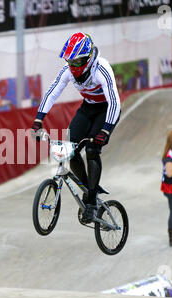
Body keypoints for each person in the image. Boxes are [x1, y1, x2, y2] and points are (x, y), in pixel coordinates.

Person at [31, 32, 121, 224]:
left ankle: (91, 203)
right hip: (87, 109)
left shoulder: (101, 69)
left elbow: (114, 102)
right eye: (70, 62)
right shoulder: (68, 70)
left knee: (91, 150)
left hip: (106, 111)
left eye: (77, 62)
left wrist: (105, 130)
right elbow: (52, 92)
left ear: (88, 59)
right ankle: (90, 190)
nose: (73, 67)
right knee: (69, 151)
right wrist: (39, 120)